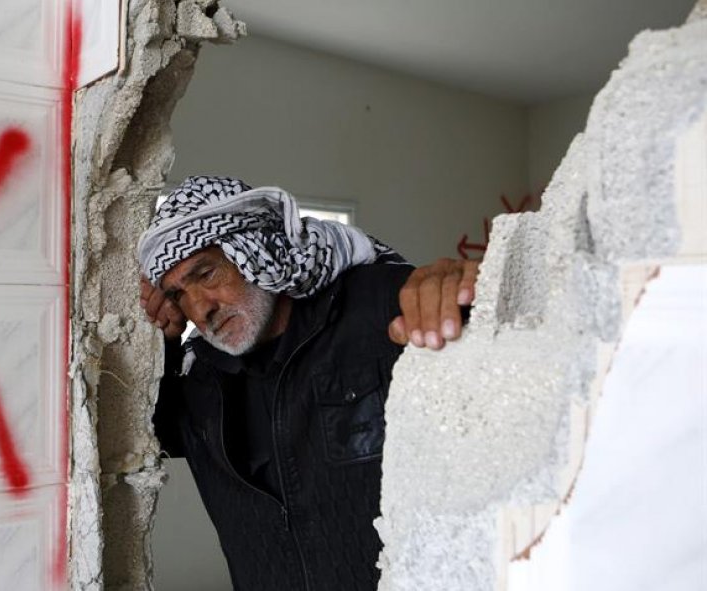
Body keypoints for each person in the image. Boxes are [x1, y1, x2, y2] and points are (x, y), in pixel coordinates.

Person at [138, 176, 478, 590]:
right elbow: (138, 439)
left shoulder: (380, 309)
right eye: (178, 296)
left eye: (206, 274)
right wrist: (159, 343)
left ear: (255, 249)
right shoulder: (201, 379)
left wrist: (468, 293)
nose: (200, 308)